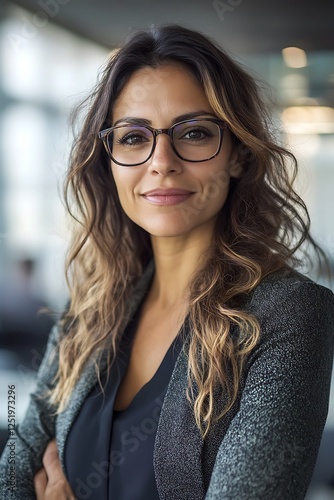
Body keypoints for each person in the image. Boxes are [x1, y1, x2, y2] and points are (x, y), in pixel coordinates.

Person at [0, 24, 333, 500]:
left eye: (194, 133)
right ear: (109, 160)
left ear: (238, 154)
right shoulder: (91, 312)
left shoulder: (290, 314)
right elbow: (16, 465)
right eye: (134, 137)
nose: (161, 161)